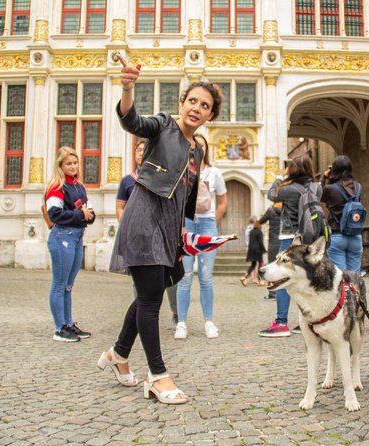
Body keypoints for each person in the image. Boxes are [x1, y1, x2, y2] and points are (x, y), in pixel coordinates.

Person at [100, 53, 222, 405]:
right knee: (152, 301)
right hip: (144, 216)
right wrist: (127, 88)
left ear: (210, 115)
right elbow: (132, 120)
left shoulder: (197, 149)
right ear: (181, 103)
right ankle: (157, 376)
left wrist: (186, 236)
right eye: (192, 101)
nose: (196, 108)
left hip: (169, 227)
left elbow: (186, 195)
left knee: (147, 294)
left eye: (205, 105)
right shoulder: (163, 125)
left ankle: (119, 354)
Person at [116, 140, 179, 325]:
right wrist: (128, 227)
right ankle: (144, 316)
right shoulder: (128, 180)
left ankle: (176, 312)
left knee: (168, 278)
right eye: (139, 150)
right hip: (138, 238)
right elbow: (120, 207)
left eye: (146, 150)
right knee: (139, 280)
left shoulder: (161, 177)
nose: (142, 153)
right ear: (135, 154)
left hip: (160, 236)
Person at [258, 154, 318, 337]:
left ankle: (281, 322)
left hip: (289, 238)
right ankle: (308, 321)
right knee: (306, 279)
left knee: (281, 279)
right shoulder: (317, 187)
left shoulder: (287, 188)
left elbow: (270, 194)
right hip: (310, 237)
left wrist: (279, 177)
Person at [174, 133, 228, 340]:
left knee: (206, 277)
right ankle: (181, 323)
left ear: (206, 149)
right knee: (184, 277)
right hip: (186, 225)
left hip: (206, 224)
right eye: (193, 145)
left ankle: (208, 322)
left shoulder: (215, 173)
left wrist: (214, 220)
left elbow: (223, 200)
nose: (198, 148)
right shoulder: (181, 171)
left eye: (201, 145)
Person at [45, 146, 95, 342]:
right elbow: (55, 214)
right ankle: (60, 328)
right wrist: (80, 214)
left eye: (75, 163)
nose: (73, 166)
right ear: (61, 166)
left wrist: (86, 215)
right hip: (62, 237)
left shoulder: (79, 186)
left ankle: (68, 323)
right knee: (59, 285)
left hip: (76, 236)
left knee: (68, 286)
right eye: (69, 163)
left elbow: (90, 213)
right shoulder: (57, 187)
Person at [320, 155, 364, 272]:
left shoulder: (331, 189)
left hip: (337, 235)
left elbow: (317, 194)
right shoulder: (358, 187)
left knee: (340, 277)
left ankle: (344, 291)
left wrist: (324, 177)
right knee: (354, 276)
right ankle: (354, 291)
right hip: (355, 235)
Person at [259, 202, 282, 299]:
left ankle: (273, 293)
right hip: (284, 241)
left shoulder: (271, 210)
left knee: (271, 266)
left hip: (273, 242)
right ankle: (282, 293)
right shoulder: (287, 209)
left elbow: (261, 221)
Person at [241, 219, 267, 287]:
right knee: (261, 264)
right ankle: (260, 280)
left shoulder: (251, 232)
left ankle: (244, 277)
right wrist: (264, 250)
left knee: (253, 265)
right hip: (258, 250)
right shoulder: (259, 232)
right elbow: (260, 242)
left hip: (251, 250)